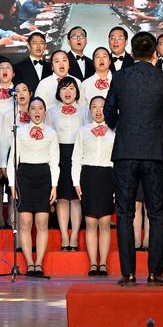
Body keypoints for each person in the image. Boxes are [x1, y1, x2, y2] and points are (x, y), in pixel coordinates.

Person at [104, 32, 163, 286]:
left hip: (125, 151)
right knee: (156, 212)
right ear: (155, 53)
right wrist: (155, 132)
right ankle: (155, 273)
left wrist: (124, 128)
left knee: (124, 213)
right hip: (154, 152)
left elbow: (109, 112)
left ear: (132, 53)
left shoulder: (120, 77)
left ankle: (129, 273)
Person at [15, 97, 59, 276]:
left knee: (42, 222)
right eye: (33, 108)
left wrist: (54, 185)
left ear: (45, 111)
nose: (37, 111)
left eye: (40, 108)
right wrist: (12, 184)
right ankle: (29, 263)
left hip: (44, 176)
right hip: (24, 175)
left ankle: (38, 263)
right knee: (25, 222)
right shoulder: (19, 131)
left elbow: (55, 161)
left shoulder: (51, 133)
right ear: (28, 112)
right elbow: (13, 160)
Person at [72, 96, 115, 276]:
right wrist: (76, 182)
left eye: (102, 107)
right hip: (88, 176)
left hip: (108, 176)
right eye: (94, 107)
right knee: (90, 222)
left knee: (104, 222)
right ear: (89, 110)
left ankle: (103, 263)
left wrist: (117, 185)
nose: (98, 110)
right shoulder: (82, 131)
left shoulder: (114, 131)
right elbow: (76, 158)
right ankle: (92, 263)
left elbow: (118, 161)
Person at [47, 77, 88, 252]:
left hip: (79, 155)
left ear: (77, 92)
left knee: (77, 197)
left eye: (71, 88)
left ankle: (75, 235)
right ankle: (64, 235)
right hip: (59, 154)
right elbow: (48, 135)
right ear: (58, 92)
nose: (68, 92)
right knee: (63, 197)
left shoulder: (85, 111)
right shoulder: (51, 112)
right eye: (64, 88)